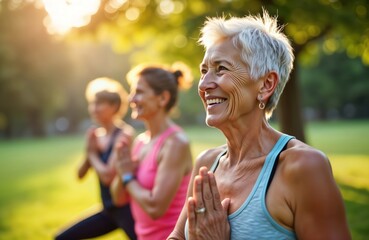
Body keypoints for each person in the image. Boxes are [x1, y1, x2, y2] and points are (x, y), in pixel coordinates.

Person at [168, 10, 351, 240]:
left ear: (266, 84)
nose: (204, 84)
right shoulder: (207, 164)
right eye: (204, 71)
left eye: (221, 69)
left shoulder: (303, 167)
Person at [110, 63, 194, 240]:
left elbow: (156, 208)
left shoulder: (175, 144)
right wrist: (121, 171)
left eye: (139, 92)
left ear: (162, 98)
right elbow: (118, 199)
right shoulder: (140, 141)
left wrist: (127, 177)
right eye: (132, 92)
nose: (131, 99)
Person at [55, 77, 137, 240]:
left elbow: (108, 176)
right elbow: (80, 174)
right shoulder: (96, 136)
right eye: (92, 103)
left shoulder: (124, 134)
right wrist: (89, 152)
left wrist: (92, 153)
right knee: (62, 238)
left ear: (113, 106)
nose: (94, 108)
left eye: (99, 104)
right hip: (108, 210)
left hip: (126, 209)